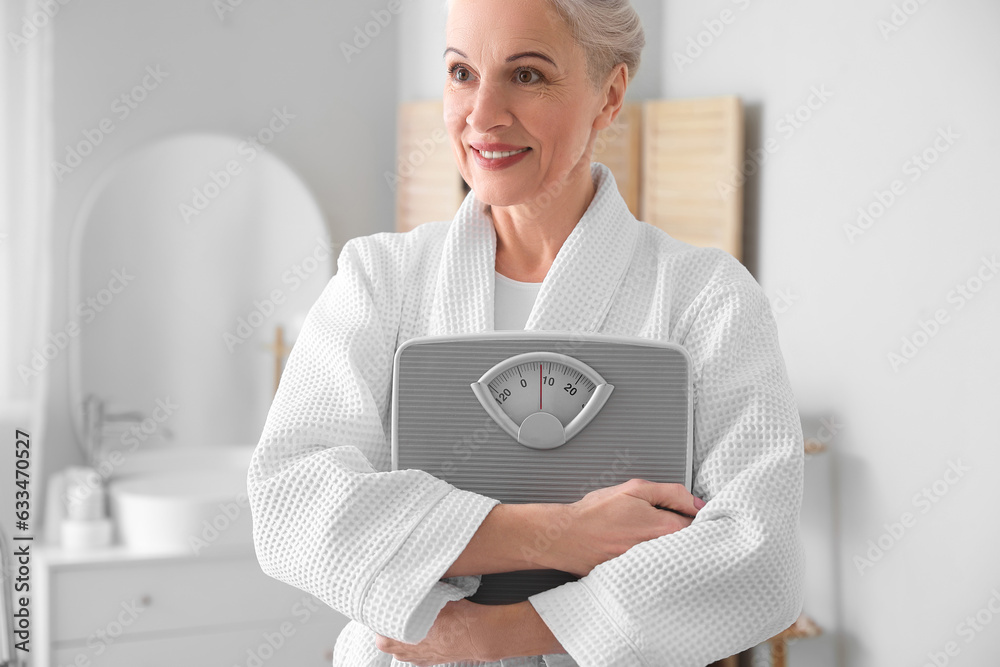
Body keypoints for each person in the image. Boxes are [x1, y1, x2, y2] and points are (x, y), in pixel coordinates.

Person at [247, 0, 805, 665]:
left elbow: (760, 556)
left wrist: (506, 630)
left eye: (528, 75)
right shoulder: (380, 280)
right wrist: (561, 534)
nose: (481, 115)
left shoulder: (704, 297)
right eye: (461, 73)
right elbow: (289, 506)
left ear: (609, 95)